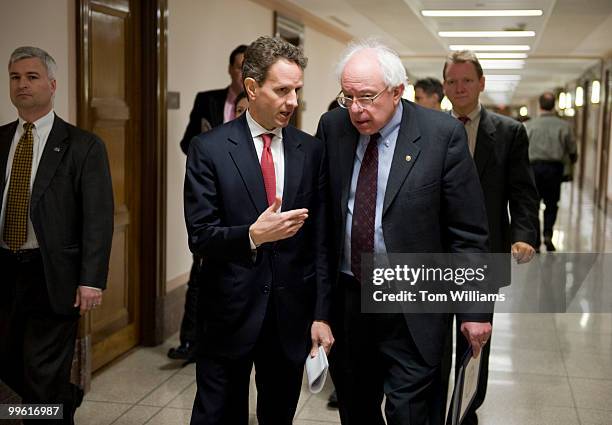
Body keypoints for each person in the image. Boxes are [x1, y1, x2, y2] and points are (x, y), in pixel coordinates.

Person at [315, 39, 492, 425]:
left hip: (415, 302)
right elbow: (325, 226)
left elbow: (469, 232)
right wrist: (320, 311)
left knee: (411, 413)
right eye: (348, 97)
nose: (356, 110)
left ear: (397, 91)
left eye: (366, 96)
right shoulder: (332, 128)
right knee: (355, 409)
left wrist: (475, 310)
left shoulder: (441, 134)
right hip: (350, 301)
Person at [184, 36, 334, 425]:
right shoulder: (210, 149)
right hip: (228, 310)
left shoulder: (311, 150)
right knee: (217, 415)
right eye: (282, 90)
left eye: (297, 90)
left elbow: (320, 241)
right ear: (252, 88)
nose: (293, 101)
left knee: (278, 414)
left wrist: (321, 313)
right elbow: (200, 234)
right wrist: (252, 235)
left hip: (289, 315)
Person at [0, 46, 114, 424]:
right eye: (15, 77)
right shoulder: (1, 141)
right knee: (11, 366)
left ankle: (51, 410)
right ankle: (63, 403)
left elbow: (98, 218)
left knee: (41, 373)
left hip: (52, 276)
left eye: (31, 77)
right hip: (4, 271)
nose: (21, 84)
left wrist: (91, 280)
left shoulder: (82, 146)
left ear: (52, 85)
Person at [442, 50, 539, 425]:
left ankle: (467, 409)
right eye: (452, 81)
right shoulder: (431, 128)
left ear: (481, 83)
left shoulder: (509, 132)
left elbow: (523, 191)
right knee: (431, 337)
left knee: (474, 338)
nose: (459, 88)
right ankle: (435, 405)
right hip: (435, 252)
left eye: (467, 80)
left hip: (484, 251)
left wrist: (525, 233)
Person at [169, 44, 248, 362]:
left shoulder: (258, 105)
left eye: (248, 67)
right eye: (238, 66)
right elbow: (188, 141)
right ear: (229, 69)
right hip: (212, 195)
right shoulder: (208, 100)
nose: (242, 73)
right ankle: (189, 340)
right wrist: (208, 143)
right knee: (200, 267)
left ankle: (230, 336)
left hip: (242, 198)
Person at [525, 92, 577, 252]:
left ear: (540, 106)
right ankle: (548, 234)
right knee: (551, 204)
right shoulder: (564, 126)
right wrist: (569, 167)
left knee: (533, 205)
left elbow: (521, 150)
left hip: (533, 169)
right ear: (554, 105)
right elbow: (572, 151)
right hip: (554, 169)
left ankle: (535, 241)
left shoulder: (530, 125)